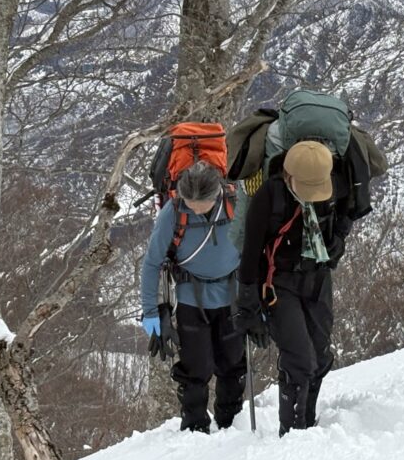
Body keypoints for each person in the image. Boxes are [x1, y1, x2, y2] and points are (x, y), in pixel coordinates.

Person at [235, 140, 351, 436]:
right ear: (289, 177)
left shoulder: (333, 183)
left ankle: (307, 422)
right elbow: (250, 254)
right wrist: (247, 306)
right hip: (280, 283)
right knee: (300, 358)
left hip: (318, 277)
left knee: (321, 355)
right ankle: (292, 433)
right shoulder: (269, 197)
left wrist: (337, 240)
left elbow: (344, 217)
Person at [140, 161, 246, 433]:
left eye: (201, 204)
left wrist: (259, 299)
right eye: (190, 202)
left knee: (233, 363)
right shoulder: (173, 212)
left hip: (232, 297)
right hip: (191, 297)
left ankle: (231, 423)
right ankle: (195, 427)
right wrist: (151, 311)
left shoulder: (237, 202)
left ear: (218, 193)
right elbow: (152, 263)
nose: (195, 208)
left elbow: (256, 246)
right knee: (195, 367)